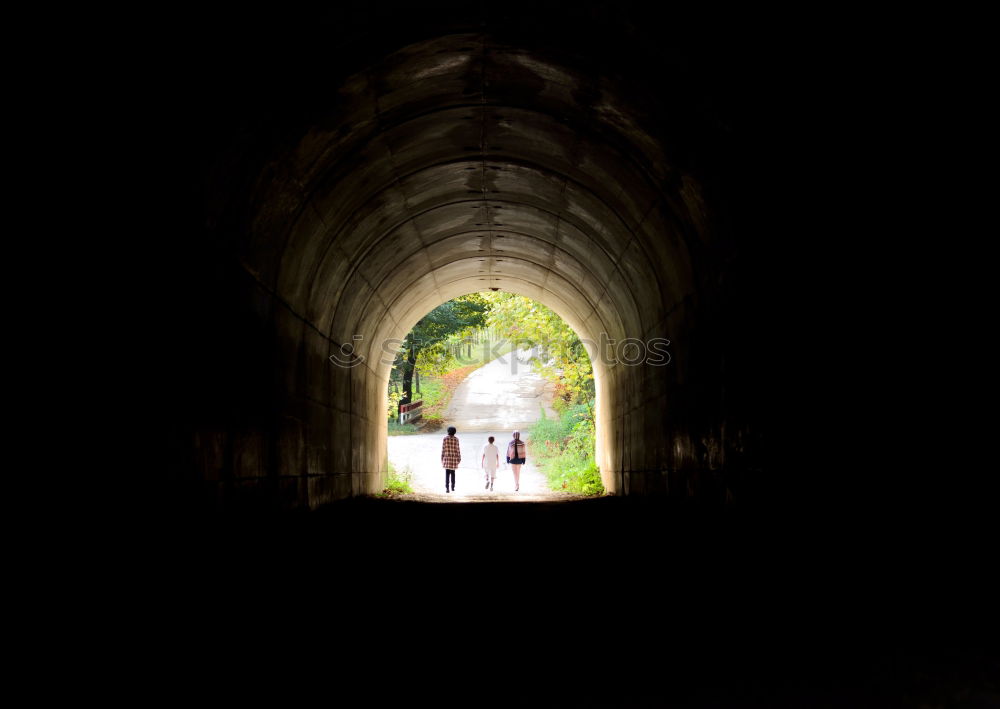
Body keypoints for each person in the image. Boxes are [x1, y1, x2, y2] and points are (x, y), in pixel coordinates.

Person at [441, 426, 461, 493]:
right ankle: (453, 487)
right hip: (453, 459)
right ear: (454, 432)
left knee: (447, 474)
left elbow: (443, 449)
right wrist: (459, 458)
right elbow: (458, 449)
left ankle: (447, 488)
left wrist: (442, 457)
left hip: (447, 459)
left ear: (448, 431)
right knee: (453, 473)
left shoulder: (445, 439)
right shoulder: (456, 439)